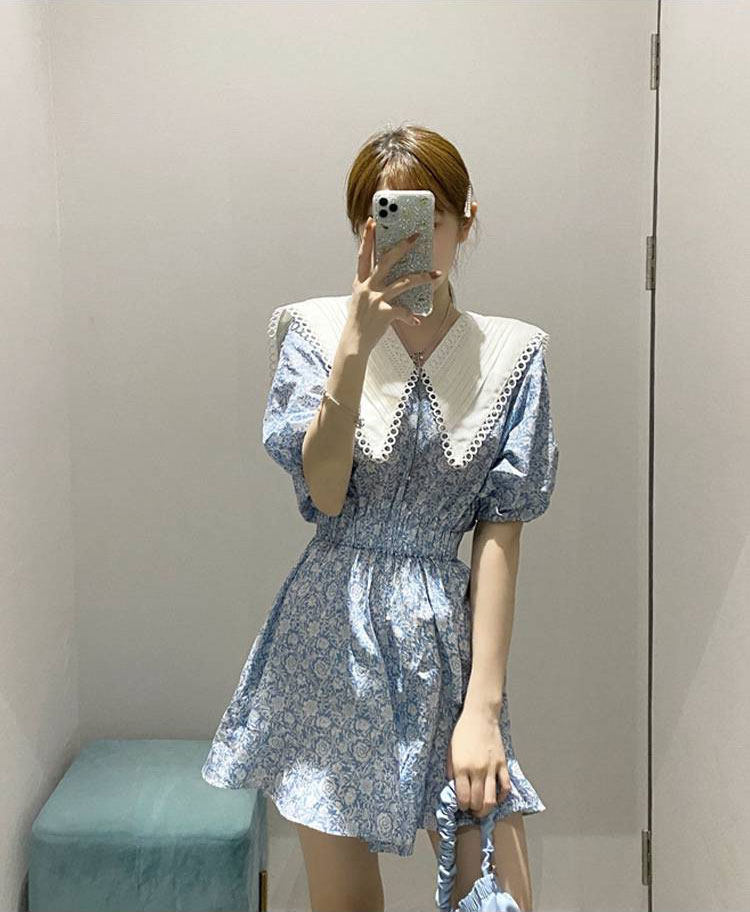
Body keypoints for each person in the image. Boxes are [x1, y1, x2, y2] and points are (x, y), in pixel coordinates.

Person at [201, 124, 559, 912]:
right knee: (346, 904)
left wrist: (483, 709)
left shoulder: (512, 353)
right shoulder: (313, 331)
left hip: (445, 646)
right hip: (329, 637)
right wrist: (356, 348)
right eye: (382, 218)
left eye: (429, 217)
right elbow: (325, 494)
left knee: (501, 894)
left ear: (464, 220)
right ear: (361, 228)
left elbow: (501, 533)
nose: (407, 239)